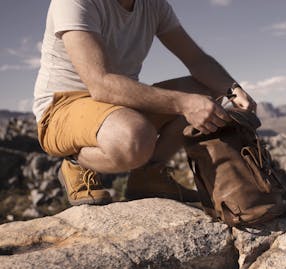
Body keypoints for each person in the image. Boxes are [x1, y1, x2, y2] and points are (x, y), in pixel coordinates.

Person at [33, 0, 257, 206]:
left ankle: (148, 176)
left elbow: (196, 59)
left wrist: (232, 91)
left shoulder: (154, 5)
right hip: (62, 107)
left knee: (209, 91)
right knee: (134, 138)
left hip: (118, 104)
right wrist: (183, 104)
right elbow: (100, 84)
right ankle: (77, 162)